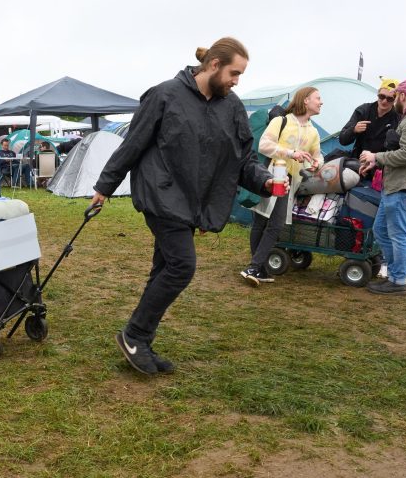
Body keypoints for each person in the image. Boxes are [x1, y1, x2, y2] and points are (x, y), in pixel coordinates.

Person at [91, 37, 273, 375]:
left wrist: (262, 179)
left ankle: (140, 341)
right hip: (160, 195)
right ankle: (135, 335)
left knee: (164, 268)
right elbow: (133, 143)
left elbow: (241, 158)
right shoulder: (164, 95)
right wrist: (105, 186)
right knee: (181, 265)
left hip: (192, 200)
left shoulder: (231, 107)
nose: (236, 81)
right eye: (234, 73)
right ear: (214, 65)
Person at [242, 86, 324, 286]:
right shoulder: (281, 121)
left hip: (290, 180)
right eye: (317, 98)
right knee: (266, 222)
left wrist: (316, 163)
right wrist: (291, 153)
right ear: (305, 100)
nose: (321, 102)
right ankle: (255, 266)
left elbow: (317, 154)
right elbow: (264, 145)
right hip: (270, 176)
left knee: (271, 223)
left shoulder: (313, 131)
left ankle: (257, 267)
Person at [359, 78, 406, 296]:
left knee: (399, 234)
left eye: (395, 96)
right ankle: (393, 276)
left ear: (402, 96)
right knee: (381, 230)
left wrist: (376, 155)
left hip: (405, 186)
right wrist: (376, 162)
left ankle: (398, 281)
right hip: (396, 185)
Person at [338, 77, 401, 169]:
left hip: (381, 167)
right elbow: (342, 140)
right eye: (382, 96)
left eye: (389, 99)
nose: (384, 101)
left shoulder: (398, 118)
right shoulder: (363, 110)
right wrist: (354, 130)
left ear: (395, 100)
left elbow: (399, 151)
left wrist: (376, 159)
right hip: (357, 163)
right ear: (378, 94)